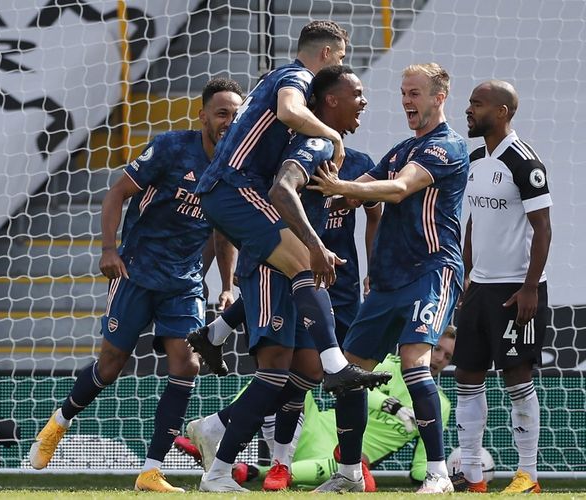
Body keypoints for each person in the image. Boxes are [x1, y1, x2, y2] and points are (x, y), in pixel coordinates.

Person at [27, 78, 244, 492]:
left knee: (188, 363)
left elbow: (224, 231)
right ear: (203, 116)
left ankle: (151, 470)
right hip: (137, 272)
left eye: (236, 114)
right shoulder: (171, 148)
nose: (229, 122)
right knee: (110, 366)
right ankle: (59, 422)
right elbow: (116, 194)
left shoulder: (237, 166)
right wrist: (110, 249)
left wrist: (228, 284)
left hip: (184, 282)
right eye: (221, 113)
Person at [196, 65, 389, 493]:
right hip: (270, 273)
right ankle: (224, 462)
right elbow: (281, 190)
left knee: (301, 374)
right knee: (277, 372)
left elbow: (377, 206)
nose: (365, 101)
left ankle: (222, 433)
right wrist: (316, 245)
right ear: (331, 100)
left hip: (316, 283)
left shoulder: (346, 156)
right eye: (357, 93)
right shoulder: (315, 142)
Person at [190, 21, 388, 394]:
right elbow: (287, 111)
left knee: (295, 265)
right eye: (340, 57)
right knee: (306, 260)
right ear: (326, 54)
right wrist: (330, 134)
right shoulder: (295, 76)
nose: (339, 66)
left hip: (227, 190)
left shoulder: (280, 77)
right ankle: (335, 366)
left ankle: (214, 335)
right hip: (233, 186)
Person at [309, 62, 469, 494]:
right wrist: (308, 190)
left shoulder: (447, 147)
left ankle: (438, 474)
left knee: (416, 362)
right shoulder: (401, 149)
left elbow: (396, 189)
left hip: (431, 271)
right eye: (403, 93)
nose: (406, 102)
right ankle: (348, 474)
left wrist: (344, 189)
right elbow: (358, 184)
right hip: (387, 281)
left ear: (439, 97)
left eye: (414, 93)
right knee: (349, 374)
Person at [177, 327, 456, 490]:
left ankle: (248, 470)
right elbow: (351, 384)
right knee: (286, 377)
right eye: (437, 348)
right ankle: (220, 429)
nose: (439, 358)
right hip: (311, 425)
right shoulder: (387, 366)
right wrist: (389, 404)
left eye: (447, 355)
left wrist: (446, 473)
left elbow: (422, 463)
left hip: (341, 453)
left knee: (348, 467)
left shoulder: (438, 405)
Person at [450, 80, 552, 494]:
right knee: (467, 377)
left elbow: (543, 228)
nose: (469, 110)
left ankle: (527, 474)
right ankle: (471, 473)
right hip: (479, 289)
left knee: (516, 379)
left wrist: (530, 288)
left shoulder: (525, 162)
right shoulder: (476, 159)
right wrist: (465, 274)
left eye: (477, 103)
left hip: (517, 290)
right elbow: (473, 222)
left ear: (503, 111)